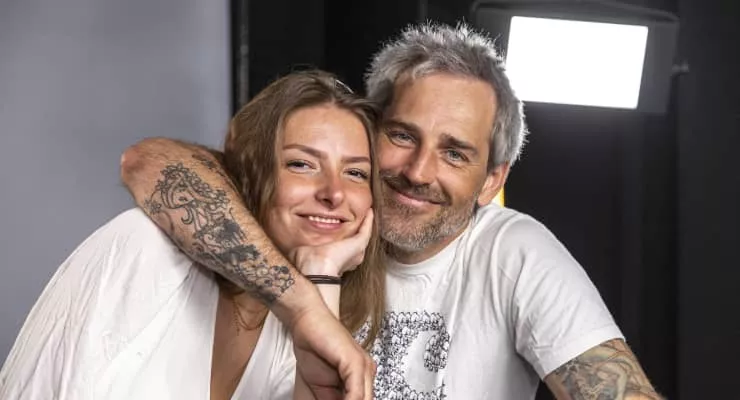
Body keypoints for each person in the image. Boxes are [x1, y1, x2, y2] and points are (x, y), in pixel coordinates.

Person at [121, 22, 663, 399]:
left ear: (492, 181)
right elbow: (149, 164)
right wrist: (305, 307)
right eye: (402, 135)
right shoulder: (307, 212)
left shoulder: (513, 251)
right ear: (369, 130)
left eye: (455, 153)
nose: (418, 171)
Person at [0, 70, 385, 400]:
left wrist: (322, 273)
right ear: (252, 171)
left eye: (355, 173)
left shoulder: (301, 325)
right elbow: (143, 160)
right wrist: (306, 305)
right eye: (301, 164)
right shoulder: (144, 249)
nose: (334, 194)